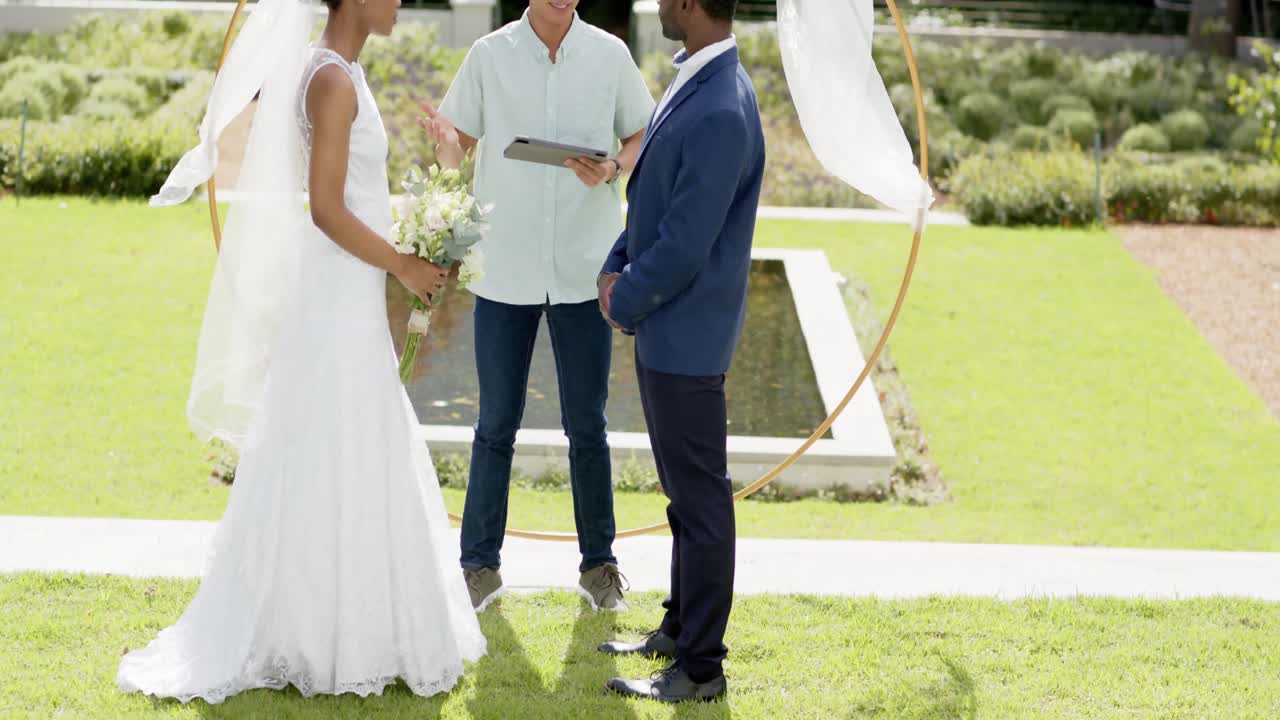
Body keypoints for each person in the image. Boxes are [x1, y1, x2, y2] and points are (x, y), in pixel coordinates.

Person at [115, 0, 485, 702]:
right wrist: (404, 267)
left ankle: (355, 625)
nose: (401, 2)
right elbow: (325, 206)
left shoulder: (340, 72)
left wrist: (436, 193)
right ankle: (321, 632)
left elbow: (358, 198)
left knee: (346, 443)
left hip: (345, 292)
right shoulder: (333, 81)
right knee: (335, 441)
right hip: (336, 299)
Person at [419, 0, 655, 612]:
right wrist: (447, 146)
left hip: (585, 269)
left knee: (589, 426)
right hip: (504, 269)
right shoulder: (489, 56)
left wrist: (611, 169)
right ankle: (479, 568)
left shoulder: (610, 55)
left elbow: (641, 134)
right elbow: (456, 148)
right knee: (495, 424)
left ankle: (599, 567)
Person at [594, 0, 764, 703]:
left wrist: (621, 297)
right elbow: (652, 203)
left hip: (687, 334)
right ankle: (677, 626)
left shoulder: (723, 106)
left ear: (692, 4)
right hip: (669, 331)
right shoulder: (695, 76)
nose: (658, 3)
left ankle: (700, 666)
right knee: (683, 498)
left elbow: (688, 244)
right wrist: (616, 264)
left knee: (701, 503)